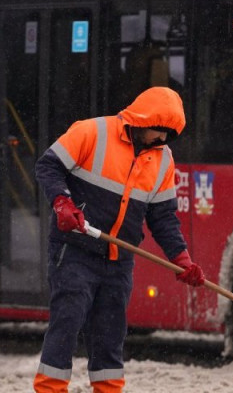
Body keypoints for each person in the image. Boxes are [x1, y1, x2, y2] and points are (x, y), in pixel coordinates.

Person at [32, 86, 205, 393]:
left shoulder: (162, 160)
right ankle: (50, 389)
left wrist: (182, 259)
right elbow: (48, 166)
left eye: (169, 135)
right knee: (67, 323)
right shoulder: (92, 132)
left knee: (110, 336)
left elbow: (162, 217)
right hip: (74, 250)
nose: (162, 140)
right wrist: (62, 202)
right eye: (158, 131)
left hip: (118, 263)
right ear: (140, 120)